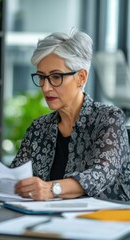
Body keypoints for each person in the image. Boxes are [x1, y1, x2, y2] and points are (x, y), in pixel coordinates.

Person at [10, 28, 130, 201]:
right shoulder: (39, 128)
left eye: (56, 77)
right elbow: (15, 176)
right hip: (49, 220)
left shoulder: (108, 119)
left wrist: (51, 189)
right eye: (41, 77)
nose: (45, 87)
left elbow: (100, 174)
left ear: (81, 77)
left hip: (104, 222)